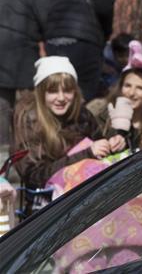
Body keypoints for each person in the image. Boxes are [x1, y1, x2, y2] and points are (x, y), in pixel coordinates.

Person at [13, 57, 123, 194]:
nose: (61, 98)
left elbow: (100, 155)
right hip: (47, 204)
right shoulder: (29, 120)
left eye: (67, 91)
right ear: (41, 93)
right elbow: (33, 176)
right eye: (53, 91)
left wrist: (112, 146)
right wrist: (87, 153)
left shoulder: (82, 115)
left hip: (88, 194)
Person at [45, 0, 119, 100]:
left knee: (59, 93)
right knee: (83, 95)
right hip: (83, 41)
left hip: (53, 39)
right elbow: (104, 7)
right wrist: (105, 36)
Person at [0, 0, 54, 160]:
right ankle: (27, 150)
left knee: (3, 107)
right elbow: (48, 24)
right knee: (28, 104)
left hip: (1, 53)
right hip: (23, 55)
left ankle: (4, 154)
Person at [99, 32, 135, 98]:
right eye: (121, 56)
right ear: (114, 53)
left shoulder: (134, 66)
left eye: (128, 55)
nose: (125, 59)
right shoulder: (105, 64)